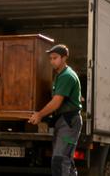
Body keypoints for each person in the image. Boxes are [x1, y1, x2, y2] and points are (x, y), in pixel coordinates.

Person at [28, 44, 82, 176]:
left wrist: (40, 115)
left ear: (64, 58)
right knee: (65, 159)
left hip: (69, 122)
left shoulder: (67, 76)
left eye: (55, 58)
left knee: (60, 159)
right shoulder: (60, 75)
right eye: (50, 58)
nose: (52, 61)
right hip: (63, 121)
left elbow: (56, 102)